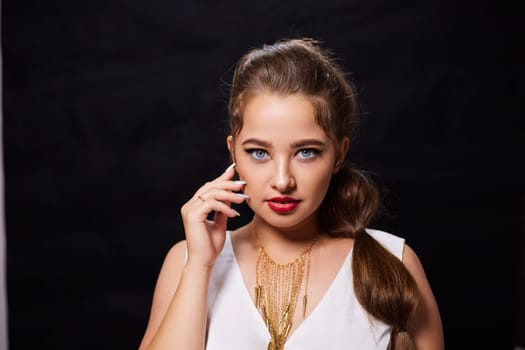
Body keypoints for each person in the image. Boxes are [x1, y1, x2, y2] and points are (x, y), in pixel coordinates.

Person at [138, 38, 444, 350]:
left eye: (307, 152)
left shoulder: (394, 262)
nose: (283, 180)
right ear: (233, 152)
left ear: (339, 154)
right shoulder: (188, 260)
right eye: (259, 153)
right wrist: (200, 266)